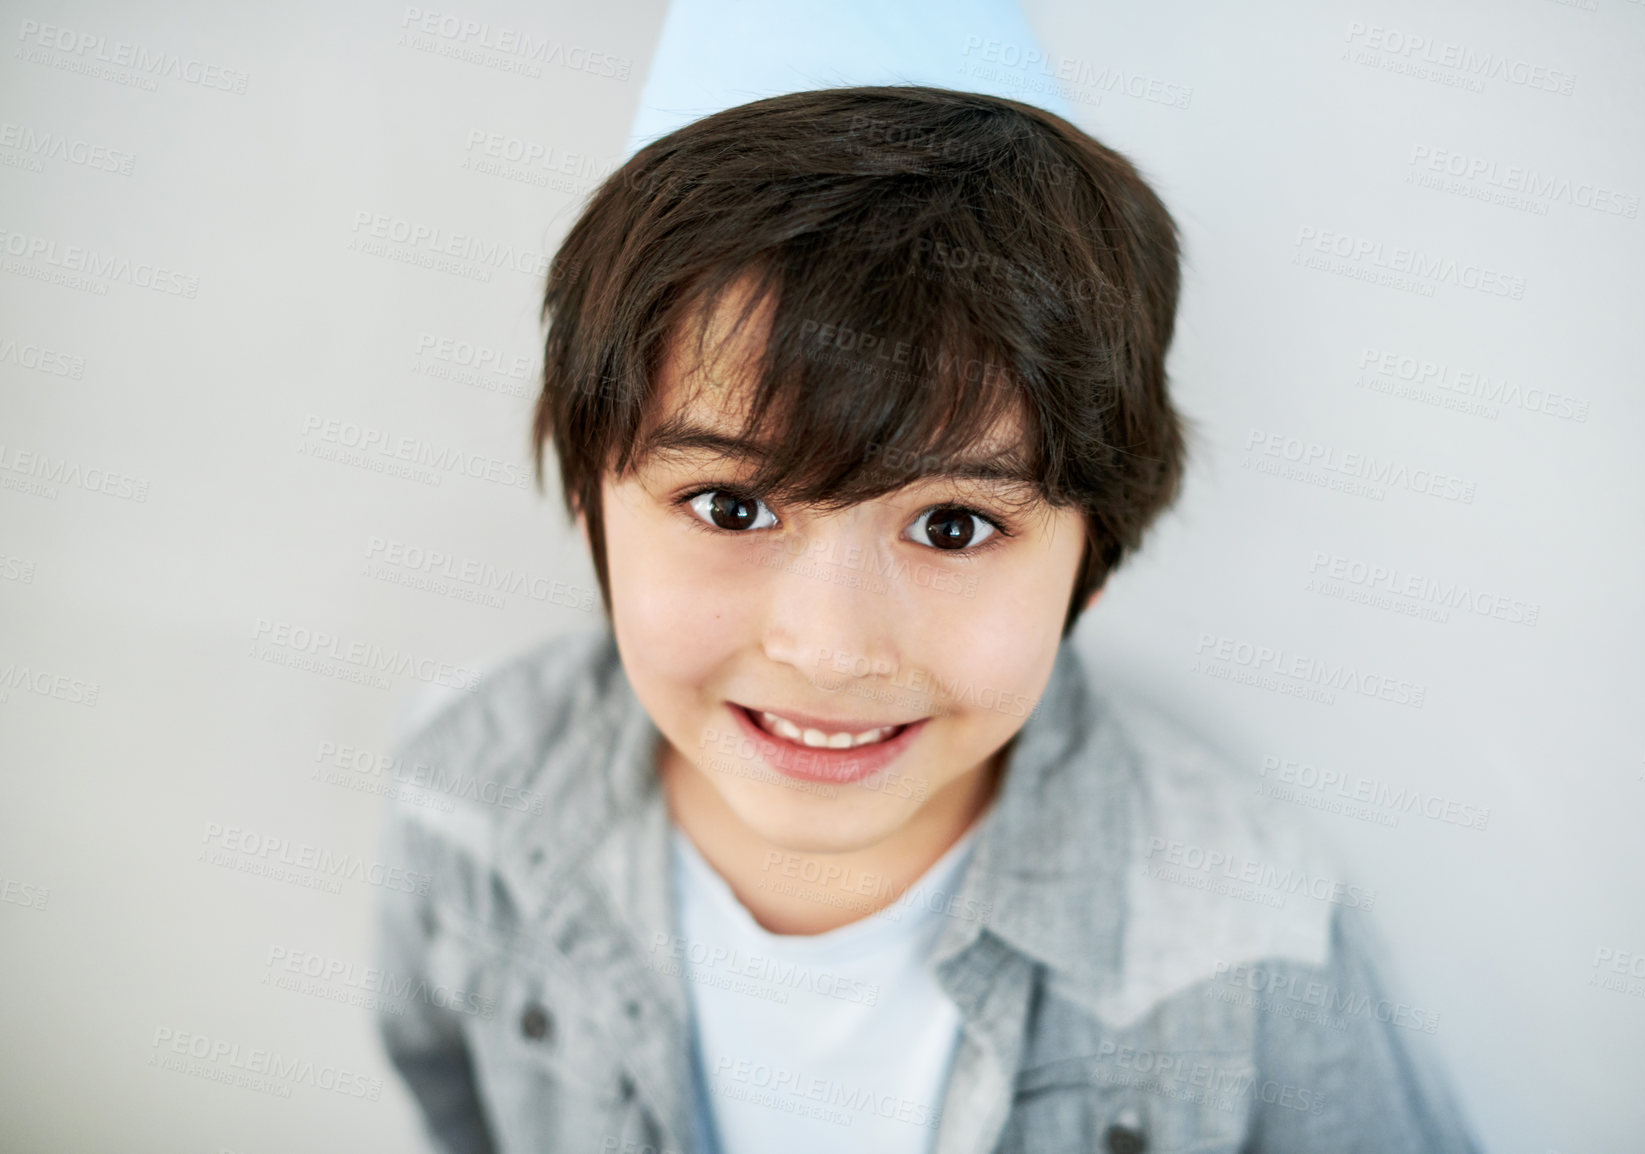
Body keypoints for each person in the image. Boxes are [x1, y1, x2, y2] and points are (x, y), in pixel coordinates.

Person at [374, 85, 1482, 1154]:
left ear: (1091, 555)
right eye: (731, 505)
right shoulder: (463, 792)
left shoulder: (1243, 932)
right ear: (589, 509)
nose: (832, 648)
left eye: (952, 525)